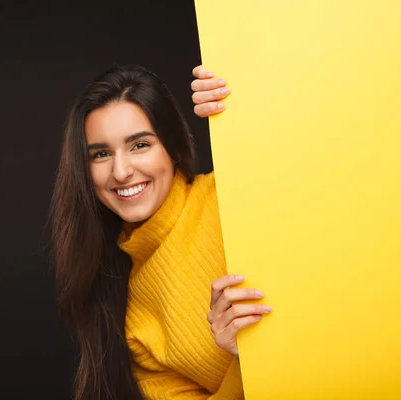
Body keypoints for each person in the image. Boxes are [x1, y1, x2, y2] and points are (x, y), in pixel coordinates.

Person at [50, 64, 271, 400]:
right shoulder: (132, 316)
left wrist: (246, 95)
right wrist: (242, 361)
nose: (121, 172)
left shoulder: (235, 190)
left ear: (174, 148)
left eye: (140, 145)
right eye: (101, 154)